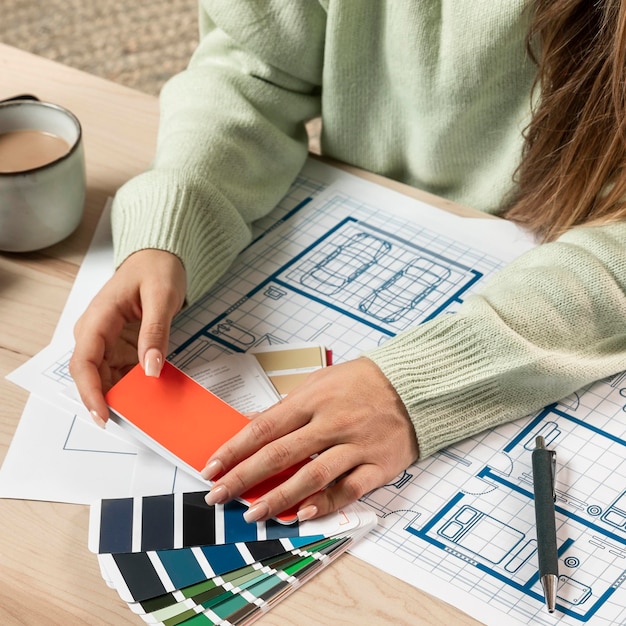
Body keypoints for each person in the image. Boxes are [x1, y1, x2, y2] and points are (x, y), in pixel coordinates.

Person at [70, 1, 626, 524]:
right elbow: (256, 66)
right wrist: (173, 224)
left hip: (564, 289)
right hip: (354, 225)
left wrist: (417, 387)